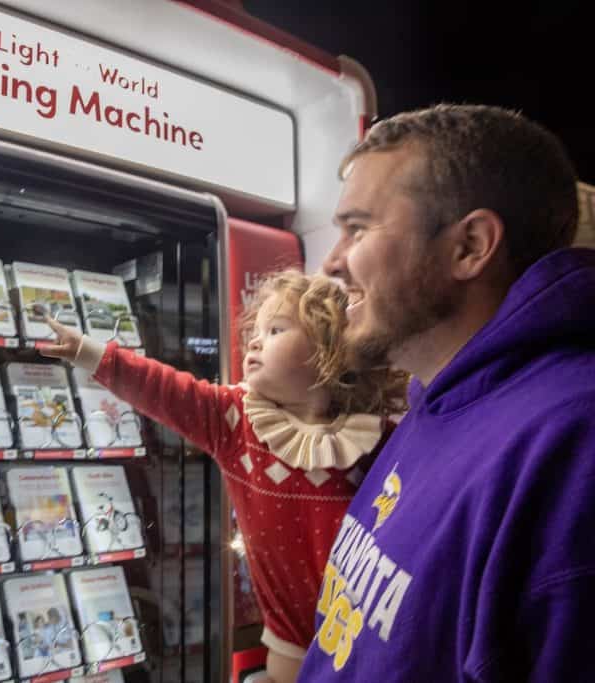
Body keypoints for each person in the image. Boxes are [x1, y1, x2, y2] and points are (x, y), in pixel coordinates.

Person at [296, 104, 595, 681]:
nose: (332, 262)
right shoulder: (437, 397)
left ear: (470, 246)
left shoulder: (573, 445)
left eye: (357, 228)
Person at [44, 271, 406, 683]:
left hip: (367, 640)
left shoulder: (377, 441)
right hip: (292, 647)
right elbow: (163, 389)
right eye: (256, 330)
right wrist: (90, 353)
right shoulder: (235, 421)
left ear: (329, 351)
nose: (254, 341)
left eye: (275, 329)